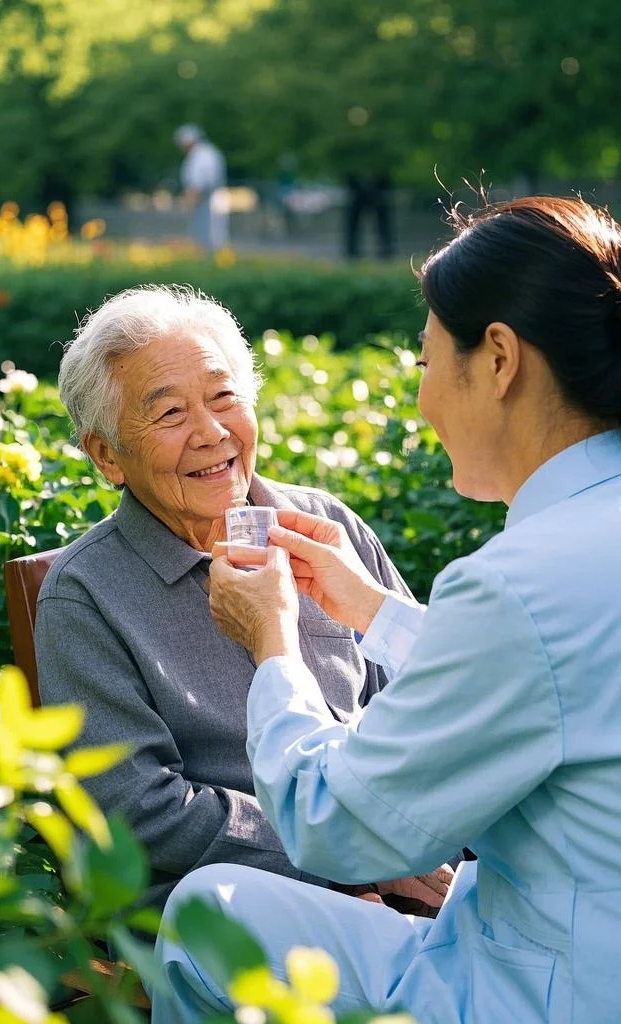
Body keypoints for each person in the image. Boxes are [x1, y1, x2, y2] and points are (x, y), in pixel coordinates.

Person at [154, 196, 621, 1023]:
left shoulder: (516, 580)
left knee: (205, 912)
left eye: (426, 360)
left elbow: (341, 826)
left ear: (501, 359)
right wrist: (374, 610)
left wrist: (272, 646)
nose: (422, 399)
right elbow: (551, 676)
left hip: (542, 991)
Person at [36, 284, 450, 911]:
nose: (210, 432)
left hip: (409, 858)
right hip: (242, 901)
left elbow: (424, 709)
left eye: (224, 398)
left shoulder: (323, 527)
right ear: (106, 455)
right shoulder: (85, 596)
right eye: (169, 413)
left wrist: (405, 838)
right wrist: (339, 860)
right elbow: (141, 813)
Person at [174, 124, 229, 252]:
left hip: (209, 198)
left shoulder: (200, 156)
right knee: (212, 232)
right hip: (210, 197)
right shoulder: (208, 152)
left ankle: (213, 259)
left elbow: (197, 184)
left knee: (210, 233)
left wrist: (189, 203)